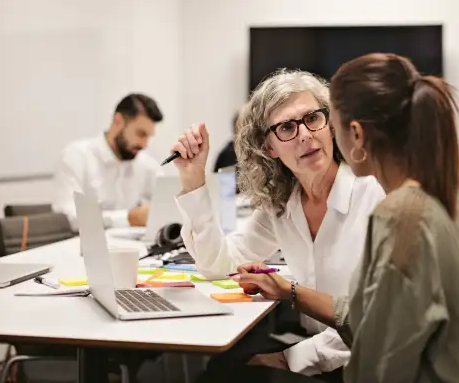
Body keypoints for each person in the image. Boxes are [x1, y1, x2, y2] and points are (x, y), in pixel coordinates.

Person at [225, 53, 459, 382]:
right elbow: (370, 316)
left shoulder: (398, 215)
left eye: (323, 120)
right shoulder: (438, 196)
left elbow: (377, 362)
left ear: (356, 134)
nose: (314, 135)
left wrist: (287, 359)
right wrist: (289, 292)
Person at [171, 70, 385, 379]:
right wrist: (192, 180)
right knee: (221, 367)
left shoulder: (374, 197)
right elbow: (220, 265)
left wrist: (290, 359)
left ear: (331, 124)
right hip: (314, 346)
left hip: (364, 363)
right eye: (287, 127)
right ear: (268, 147)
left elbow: (379, 319)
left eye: (313, 118)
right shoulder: (284, 204)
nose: (305, 135)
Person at [53, 93, 163, 231]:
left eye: (149, 136)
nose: (144, 144)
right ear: (118, 121)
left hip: (135, 247)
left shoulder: (145, 163)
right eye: (140, 134)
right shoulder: (76, 156)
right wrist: (128, 218)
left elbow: (167, 200)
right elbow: (66, 215)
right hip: (85, 247)